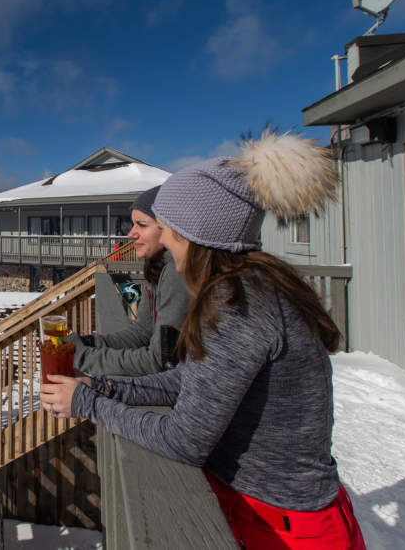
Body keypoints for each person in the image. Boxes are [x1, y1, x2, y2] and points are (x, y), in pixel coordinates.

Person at [40, 132, 365, 549]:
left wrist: (88, 404)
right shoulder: (251, 287)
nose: (167, 240)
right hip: (275, 513)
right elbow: (190, 381)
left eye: (169, 228)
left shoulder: (238, 305)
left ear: (194, 233)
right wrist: (101, 386)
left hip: (282, 526)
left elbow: (184, 440)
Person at [68, 186, 190, 376]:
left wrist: (83, 357)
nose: (131, 234)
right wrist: (88, 343)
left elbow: (159, 361)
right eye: (131, 224)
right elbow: (141, 333)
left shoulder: (178, 274)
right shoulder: (157, 266)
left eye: (141, 225)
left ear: (169, 227)